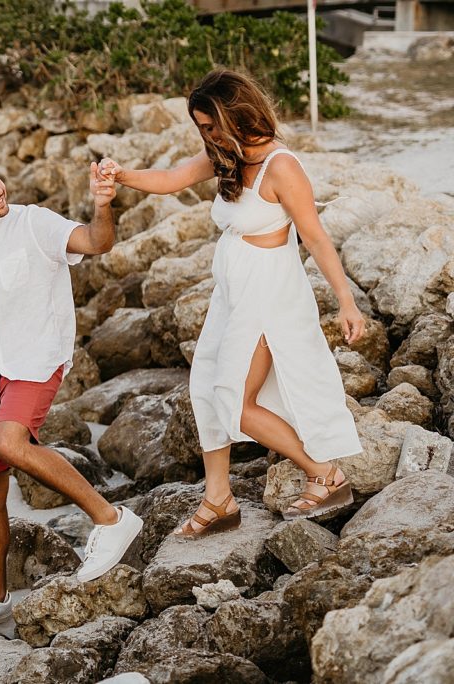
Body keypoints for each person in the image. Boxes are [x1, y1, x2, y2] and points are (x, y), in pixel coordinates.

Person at [105, 69, 365, 537]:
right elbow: (170, 178)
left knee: (235, 401)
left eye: (210, 125)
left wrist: (347, 302)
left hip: (267, 296)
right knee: (206, 388)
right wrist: (120, 175)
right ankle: (219, 498)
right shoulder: (227, 155)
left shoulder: (281, 167)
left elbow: (317, 238)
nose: (205, 136)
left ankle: (326, 474)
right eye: (201, 128)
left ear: (236, 114)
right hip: (231, 296)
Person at [0, 153, 143, 641]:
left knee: (10, 443)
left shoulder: (34, 223)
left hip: (36, 360)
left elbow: (96, 242)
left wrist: (103, 205)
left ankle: (112, 518)